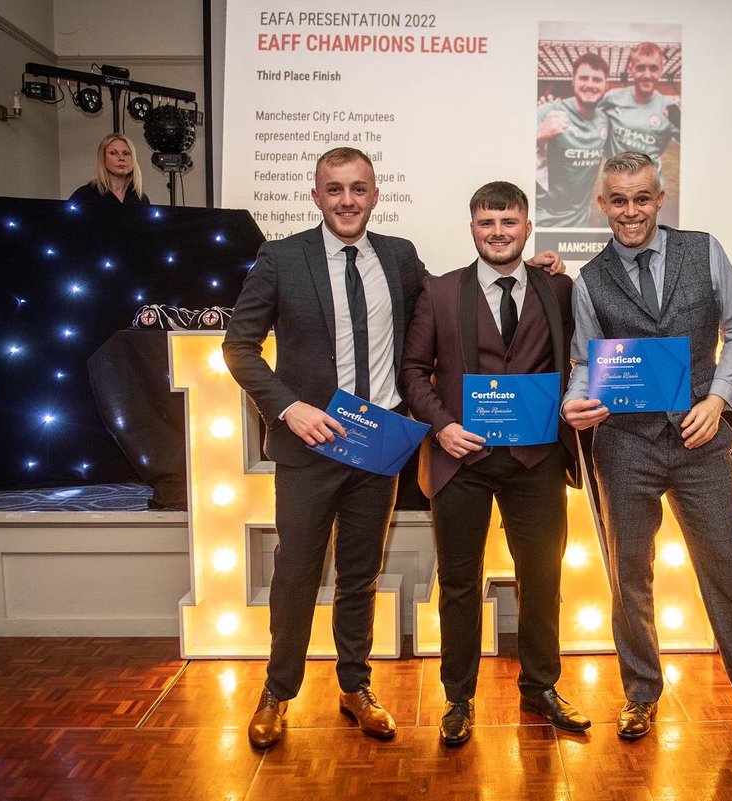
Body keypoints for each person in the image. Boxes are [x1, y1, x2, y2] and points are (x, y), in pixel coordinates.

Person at [223, 147, 563, 750]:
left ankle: (355, 686)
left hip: (376, 442)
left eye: (358, 189)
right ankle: (278, 692)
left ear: (375, 194)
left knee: (359, 574)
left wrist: (529, 273)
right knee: (297, 571)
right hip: (310, 443)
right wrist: (289, 407)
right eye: (334, 189)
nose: (347, 200)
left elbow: (461, 299)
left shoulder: (400, 258)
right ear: (316, 195)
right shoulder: (280, 258)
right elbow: (239, 348)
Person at [561, 151, 732, 745]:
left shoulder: (703, 249)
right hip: (624, 445)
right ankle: (641, 696)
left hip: (701, 441)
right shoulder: (590, 279)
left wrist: (720, 398)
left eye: (642, 199)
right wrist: (576, 403)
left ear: (659, 199)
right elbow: (585, 359)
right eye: (619, 200)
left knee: (729, 572)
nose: (631, 211)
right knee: (630, 579)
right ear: (603, 204)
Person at [399, 181, 588, 746]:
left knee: (543, 578)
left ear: (527, 228)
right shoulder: (439, 292)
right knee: (459, 583)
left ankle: (541, 686)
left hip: (536, 460)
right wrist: (442, 426)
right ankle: (458, 698)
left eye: (509, 222)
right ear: (473, 228)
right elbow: (412, 370)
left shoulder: (559, 289)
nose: (498, 232)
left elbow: (580, 356)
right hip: (464, 461)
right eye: (487, 222)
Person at [536, 53, 611, 228]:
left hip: (580, 223)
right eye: (584, 78)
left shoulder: (604, 120)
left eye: (597, 80)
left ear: (606, 85)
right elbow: (508, 148)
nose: (590, 84)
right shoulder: (548, 112)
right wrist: (538, 134)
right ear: (573, 81)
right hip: (544, 222)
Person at [601, 43, 679, 170]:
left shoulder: (670, 109)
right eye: (641, 68)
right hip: (615, 184)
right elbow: (586, 117)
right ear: (631, 69)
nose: (647, 75)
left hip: (649, 186)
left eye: (653, 68)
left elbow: (695, 143)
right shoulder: (612, 98)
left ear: (661, 71)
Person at [69, 134, 150, 205]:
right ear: (103, 158)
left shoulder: (141, 199)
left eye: (126, 153)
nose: (121, 158)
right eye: (113, 153)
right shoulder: (85, 195)